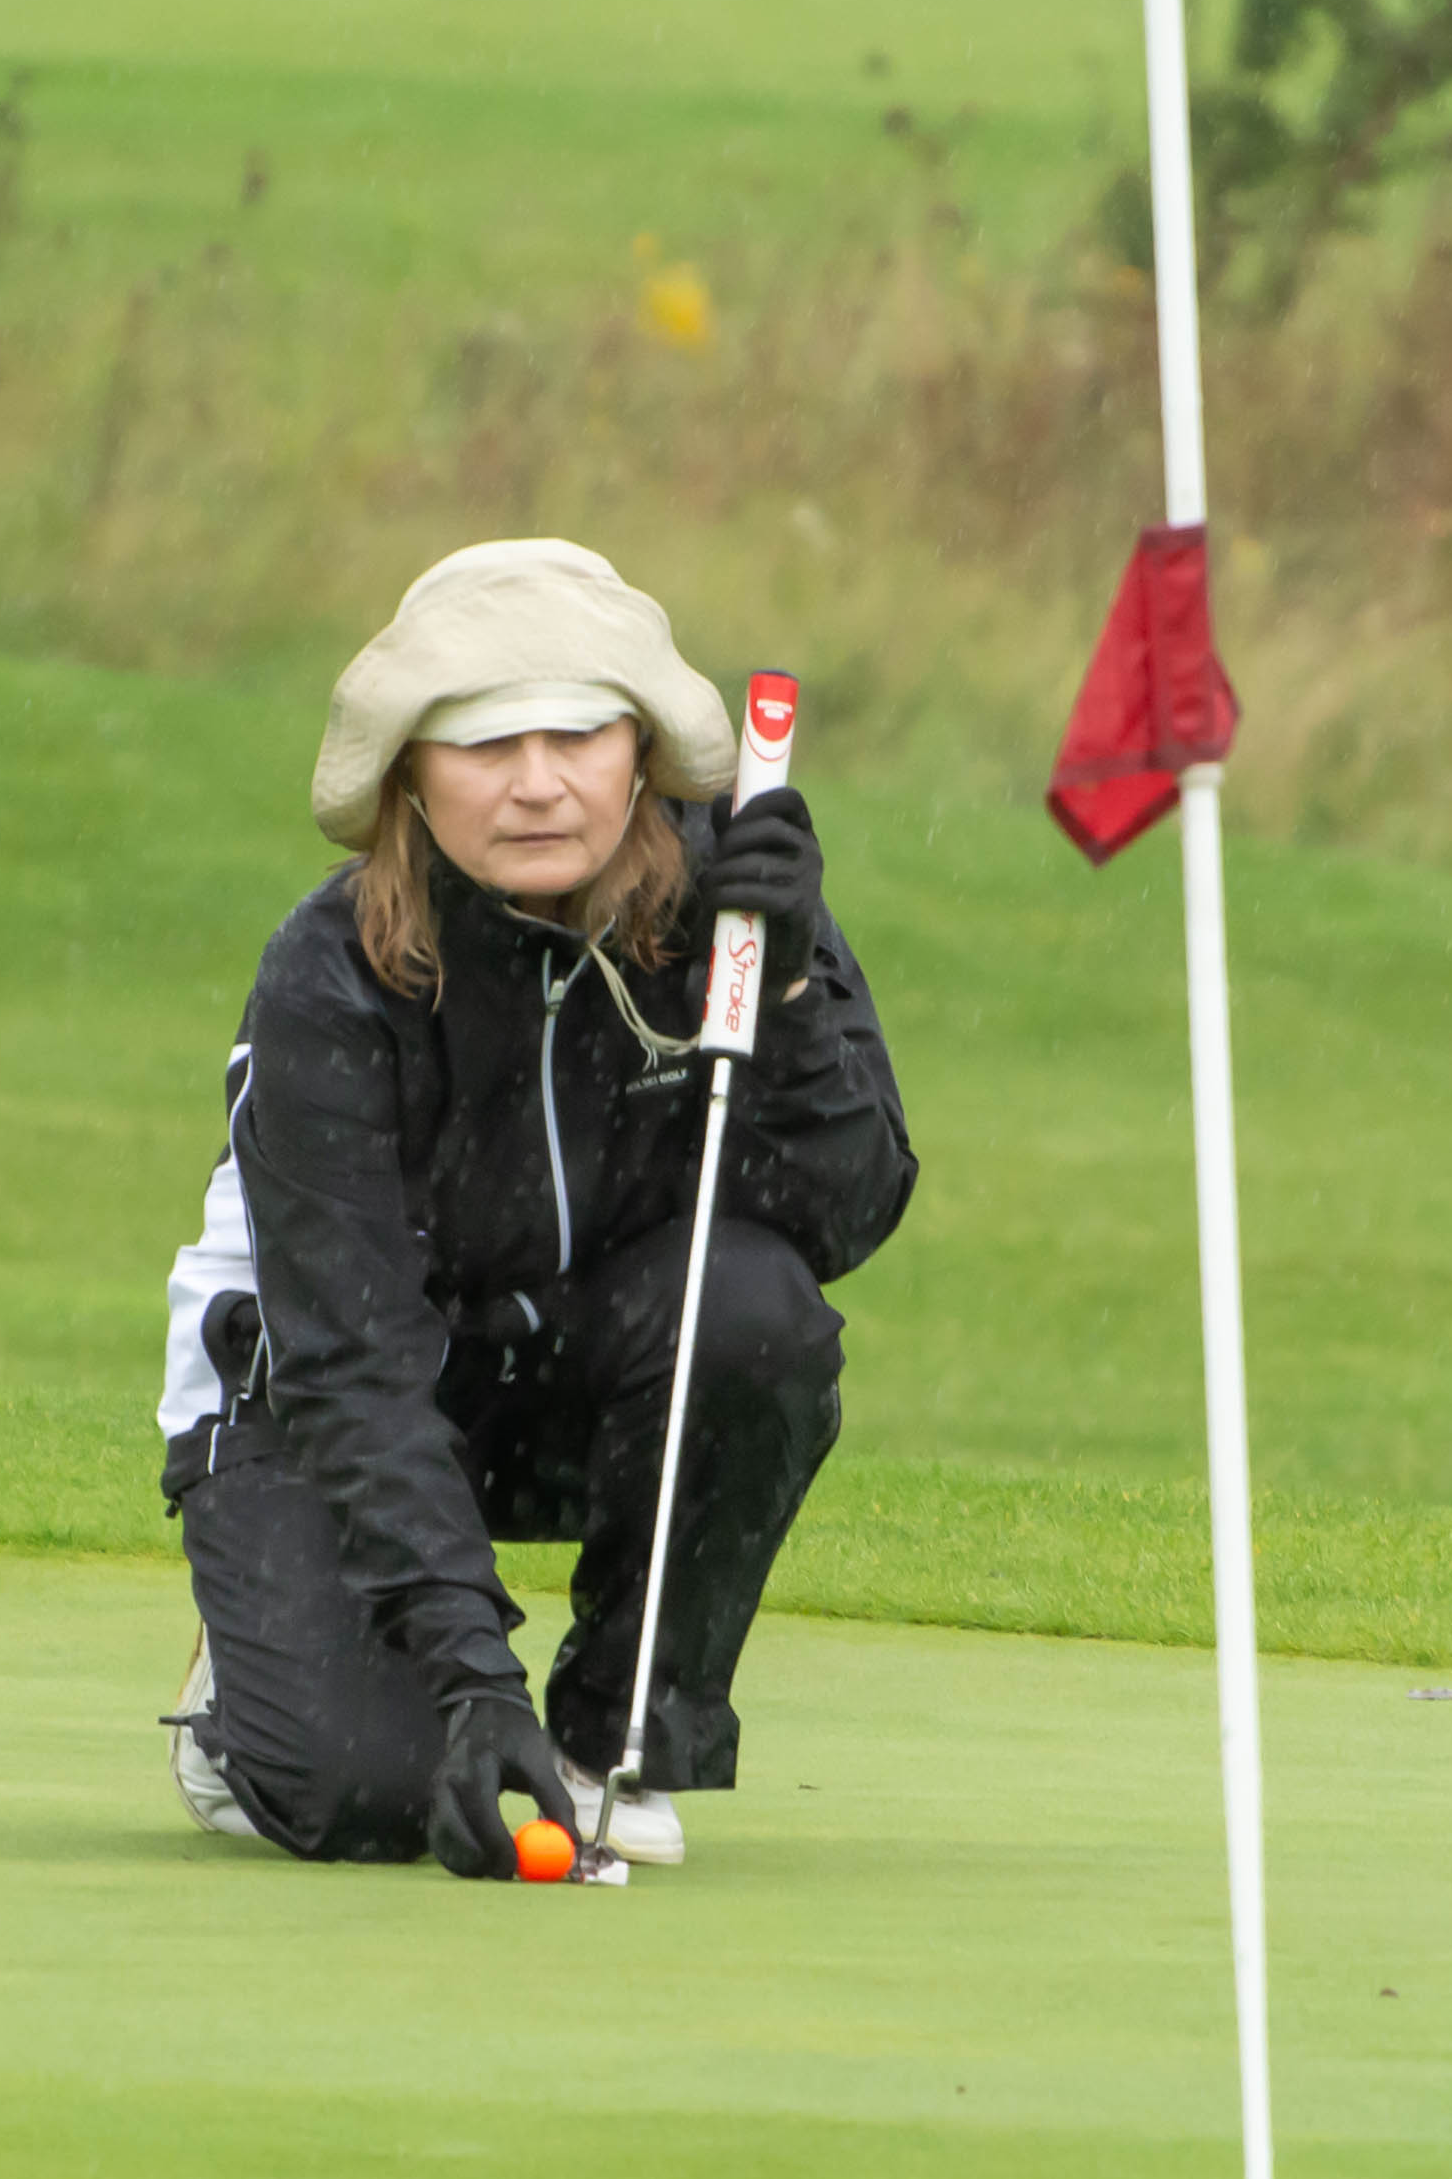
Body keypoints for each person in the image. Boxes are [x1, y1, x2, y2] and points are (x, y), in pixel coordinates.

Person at [156, 539, 916, 1876]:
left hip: (572, 1382)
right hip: (316, 1406)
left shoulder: (735, 913)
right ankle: (261, 1680)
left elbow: (841, 1217)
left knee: (750, 1310)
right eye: (484, 743)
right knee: (370, 1794)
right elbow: (350, 1363)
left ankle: (615, 1736)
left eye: (577, 736)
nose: (538, 781)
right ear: (408, 772)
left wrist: (792, 994)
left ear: (642, 754)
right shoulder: (328, 976)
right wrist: (471, 1681)